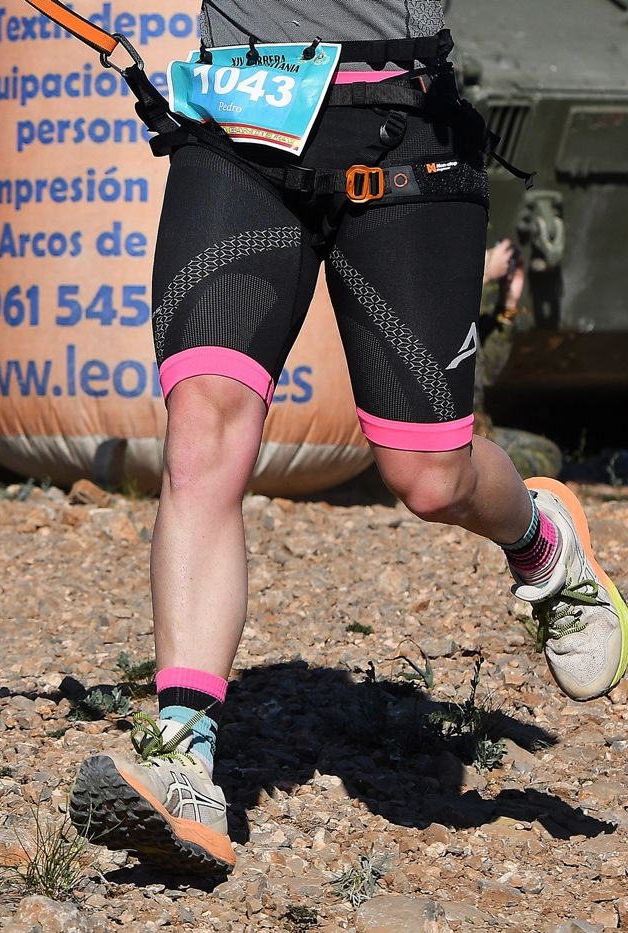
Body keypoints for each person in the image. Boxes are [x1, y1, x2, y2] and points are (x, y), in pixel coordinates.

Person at [67, 0, 628, 875]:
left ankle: (540, 539)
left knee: (430, 475)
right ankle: (183, 752)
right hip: (238, 124)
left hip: (405, 128)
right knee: (202, 426)